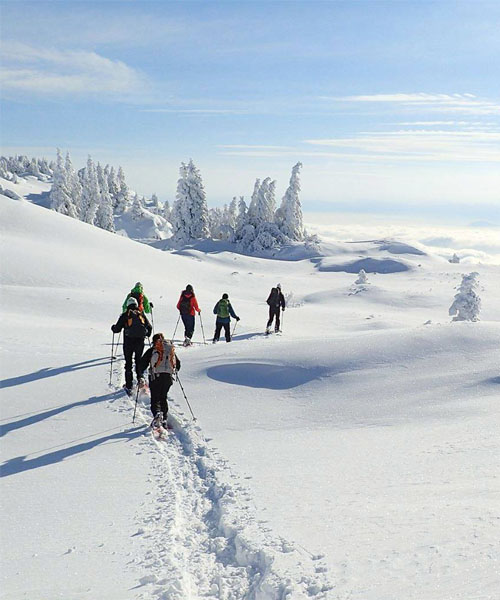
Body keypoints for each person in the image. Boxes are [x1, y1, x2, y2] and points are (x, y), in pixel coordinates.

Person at [138, 333, 180, 428]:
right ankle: (164, 418)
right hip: (168, 378)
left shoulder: (153, 350)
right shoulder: (170, 350)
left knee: (155, 398)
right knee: (163, 397)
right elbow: (178, 364)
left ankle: (157, 414)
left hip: (155, 377)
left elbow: (142, 364)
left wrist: (140, 374)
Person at [111, 297, 152, 394]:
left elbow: (117, 329)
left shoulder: (125, 315)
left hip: (128, 342)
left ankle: (129, 386)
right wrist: (145, 334)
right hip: (140, 342)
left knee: (128, 363)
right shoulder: (141, 314)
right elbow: (149, 327)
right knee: (138, 361)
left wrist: (113, 327)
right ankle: (140, 378)